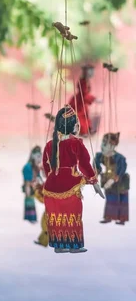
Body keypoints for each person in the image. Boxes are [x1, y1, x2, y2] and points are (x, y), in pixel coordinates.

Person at [42, 105, 104, 253]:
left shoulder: (50, 144)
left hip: (50, 186)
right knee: (72, 215)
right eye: (76, 123)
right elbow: (84, 165)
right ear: (71, 125)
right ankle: (74, 246)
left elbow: (46, 167)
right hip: (70, 186)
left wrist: (53, 178)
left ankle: (58, 245)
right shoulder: (75, 143)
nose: (78, 125)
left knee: (56, 216)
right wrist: (94, 182)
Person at [95, 133, 129, 225]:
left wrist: (116, 177)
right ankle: (108, 217)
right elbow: (96, 165)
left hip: (121, 181)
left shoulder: (119, 158)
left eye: (107, 143)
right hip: (108, 180)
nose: (104, 145)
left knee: (122, 199)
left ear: (113, 145)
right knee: (110, 199)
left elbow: (122, 168)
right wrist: (96, 171)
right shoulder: (100, 156)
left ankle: (122, 219)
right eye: (104, 142)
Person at [67, 65, 97, 136]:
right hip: (79, 102)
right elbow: (84, 94)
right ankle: (81, 131)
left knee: (84, 116)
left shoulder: (86, 81)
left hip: (82, 101)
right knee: (79, 116)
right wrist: (94, 99)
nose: (92, 73)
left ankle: (86, 130)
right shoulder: (83, 81)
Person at [22, 146, 43, 223]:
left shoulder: (36, 166)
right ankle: (30, 217)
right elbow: (27, 182)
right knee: (30, 200)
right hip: (30, 186)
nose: (39, 159)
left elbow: (39, 177)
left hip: (34, 186)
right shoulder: (28, 167)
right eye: (38, 156)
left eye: (40, 156)